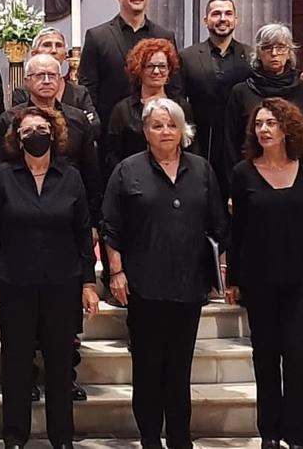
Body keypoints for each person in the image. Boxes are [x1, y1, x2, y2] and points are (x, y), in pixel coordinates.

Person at [102, 98, 228, 449]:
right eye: (157, 125)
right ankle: (149, 438)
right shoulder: (128, 170)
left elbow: (218, 224)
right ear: (145, 131)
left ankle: (179, 437)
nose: (165, 131)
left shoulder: (201, 170)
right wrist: (116, 272)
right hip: (143, 286)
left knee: (179, 368)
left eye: (171, 125)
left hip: (189, 286)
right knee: (148, 368)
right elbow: (111, 226)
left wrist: (220, 272)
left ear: (182, 130)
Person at [0, 105, 100, 449]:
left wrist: (89, 283)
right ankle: (15, 436)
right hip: (15, 282)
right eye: (27, 131)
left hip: (63, 283)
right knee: (16, 363)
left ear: (54, 133)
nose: (35, 136)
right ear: (17, 139)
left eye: (41, 129)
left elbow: (82, 233)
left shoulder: (70, 177)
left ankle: (62, 437)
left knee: (60, 364)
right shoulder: (2, 176)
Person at [0, 53, 101, 402]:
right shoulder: (9, 119)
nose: (47, 81)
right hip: (20, 225)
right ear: (28, 80)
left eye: (53, 74)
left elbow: (92, 175)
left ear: (62, 79)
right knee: (23, 332)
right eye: (39, 75)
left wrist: (92, 224)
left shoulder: (78, 121)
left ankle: (63, 376)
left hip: (64, 224)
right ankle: (29, 381)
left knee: (63, 327)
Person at [226, 98, 303, 449]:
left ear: (287, 126)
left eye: (271, 122)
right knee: (265, 353)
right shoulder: (243, 172)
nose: (264, 129)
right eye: (258, 124)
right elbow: (237, 230)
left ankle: (298, 433)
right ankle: (269, 433)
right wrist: (232, 278)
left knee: (296, 352)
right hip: (259, 278)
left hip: (302, 277)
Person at [78, 0, 182, 133]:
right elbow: (89, 89)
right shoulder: (97, 37)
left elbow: (175, 85)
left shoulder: (164, 36)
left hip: (158, 128)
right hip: (112, 129)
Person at [224, 23, 303, 179]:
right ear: (258, 52)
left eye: (281, 47)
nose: (274, 53)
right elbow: (231, 144)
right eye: (267, 48)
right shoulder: (241, 92)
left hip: (299, 176)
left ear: (290, 51)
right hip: (253, 178)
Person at [179, 0, 251, 195]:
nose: (222, 18)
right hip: (201, 142)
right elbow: (179, 101)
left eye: (228, 13)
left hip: (240, 144)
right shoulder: (188, 57)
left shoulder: (251, 57)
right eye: (216, 13)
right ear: (205, 20)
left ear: (236, 20)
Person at [105, 38, 194, 175]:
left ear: (169, 70)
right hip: (133, 180)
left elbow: (190, 148)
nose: (157, 71)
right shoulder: (122, 110)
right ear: (139, 70)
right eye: (150, 66)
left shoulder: (182, 107)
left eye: (162, 66)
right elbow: (113, 156)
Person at [11, 27, 98, 132]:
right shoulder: (23, 93)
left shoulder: (79, 92)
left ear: (65, 55)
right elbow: (18, 126)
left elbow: (94, 126)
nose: (53, 50)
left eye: (59, 45)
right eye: (47, 45)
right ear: (34, 53)